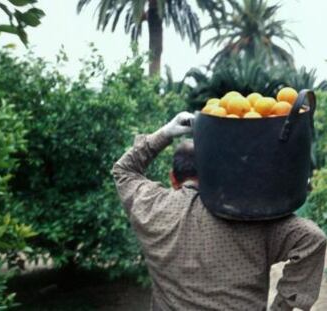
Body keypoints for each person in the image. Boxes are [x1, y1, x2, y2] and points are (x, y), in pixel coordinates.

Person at [112, 112, 327, 311]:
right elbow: (313, 239)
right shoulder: (251, 218)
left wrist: (166, 132)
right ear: (220, 172)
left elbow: (123, 171)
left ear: (173, 178)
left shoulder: (151, 207)